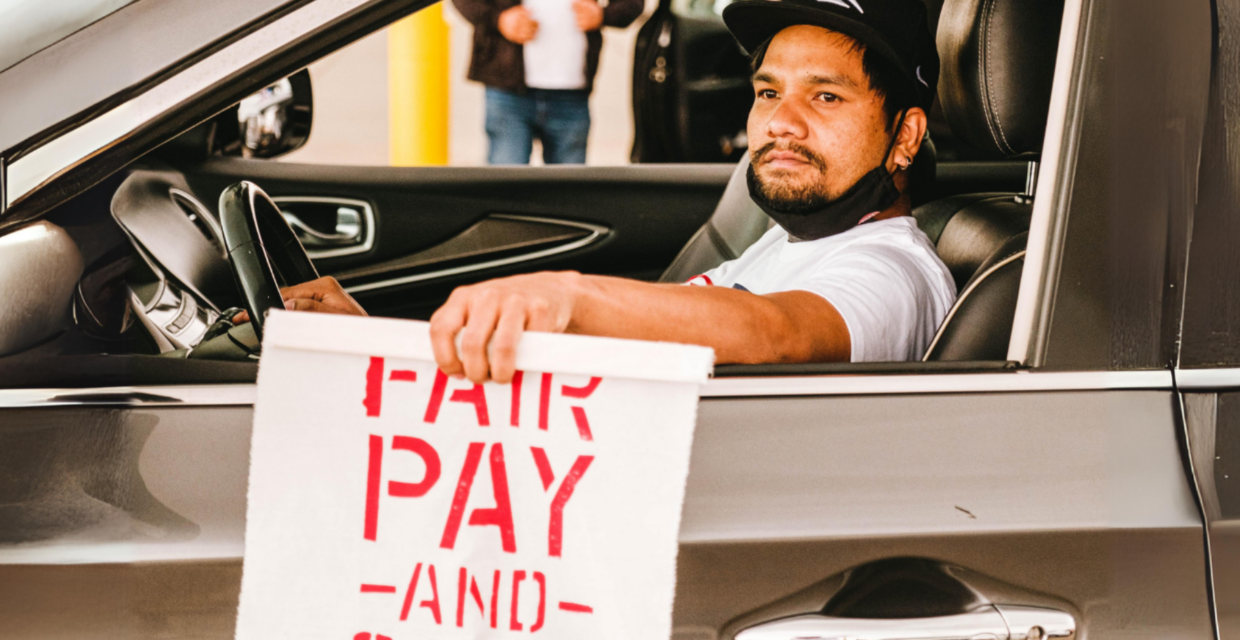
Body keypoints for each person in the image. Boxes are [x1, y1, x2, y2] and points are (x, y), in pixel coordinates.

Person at [267, 0, 957, 383]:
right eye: (768, 91)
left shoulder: (892, 270)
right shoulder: (790, 241)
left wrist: (566, 297)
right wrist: (379, 347)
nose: (779, 120)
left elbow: (776, 335)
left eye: (826, 96)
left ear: (904, 136)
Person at [451, 0, 643, 164]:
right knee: (506, 190)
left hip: (572, 92)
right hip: (507, 90)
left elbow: (632, 4)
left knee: (568, 195)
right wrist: (499, 19)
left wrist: (603, 15)